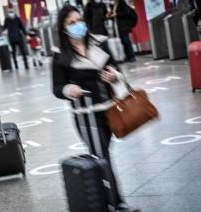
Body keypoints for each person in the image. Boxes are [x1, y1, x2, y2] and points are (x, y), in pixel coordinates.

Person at [51, 5, 140, 212]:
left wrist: (114, 76)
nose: (77, 25)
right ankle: (117, 203)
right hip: (85, 116)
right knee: (102, 158)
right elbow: (56, 87)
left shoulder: (100, 42)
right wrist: (68, 88)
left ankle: (106, 200)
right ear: (63, 28)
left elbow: (116, 69)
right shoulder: (60, 55)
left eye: (79, 21)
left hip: (111, 110)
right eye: (71, 23)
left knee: (103, 155)